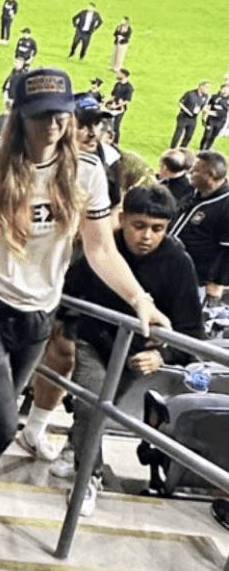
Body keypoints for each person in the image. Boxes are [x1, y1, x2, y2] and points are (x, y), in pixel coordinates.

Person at [0, 67, 163, 545]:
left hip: (39, 310)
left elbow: (101, 247)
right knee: (4, 419)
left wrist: (139, 299)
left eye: (61, 115)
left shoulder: (87, 173)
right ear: (18, 118)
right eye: (40, 116)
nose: (52, 126)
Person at [53, 185, 204, 514]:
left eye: (157, 229)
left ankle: (73, 446)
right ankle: (89, 476)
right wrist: (66, 329)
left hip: (136, 357)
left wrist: (162, 355)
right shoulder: (101, 248)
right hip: (93, 342)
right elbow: (69, 290)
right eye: (138, 226)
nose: (147, 236)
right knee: (92, 405)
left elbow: (193, 332)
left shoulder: (178, 263)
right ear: (121, 220)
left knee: (96, 412)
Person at [169, 151, 229, 305]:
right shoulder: (192, 190)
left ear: (211, 175)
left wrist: (216, 284)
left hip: (194, 279)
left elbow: (226, 250)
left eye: (195, 170)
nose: (190, 173)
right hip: (166, 266)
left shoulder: (226, 205)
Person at [173, 82, 210, 149]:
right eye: (206, 87)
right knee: (178, 133)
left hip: (193, 118)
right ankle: (172, 148)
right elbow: (180, 103)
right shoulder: (190, 93)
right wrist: (187, 111)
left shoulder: (206, 96)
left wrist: (206, 114)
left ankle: (182, 148)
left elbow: (203, 106)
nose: (207, 89)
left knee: (189, 135)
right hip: (184, 116)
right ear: (201, 87)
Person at [201, 80, 229, 152]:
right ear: (220, 89)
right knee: (207, 135)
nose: (224, 90)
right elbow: (208, 106)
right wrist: (205, 113)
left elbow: (223, 113)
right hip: (211, 120)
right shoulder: (214, 97)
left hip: (221, 121)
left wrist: (210, 112)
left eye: (226, 89)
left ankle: (207, 149)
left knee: (213, 136)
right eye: (223, 88)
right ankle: (201, 149)